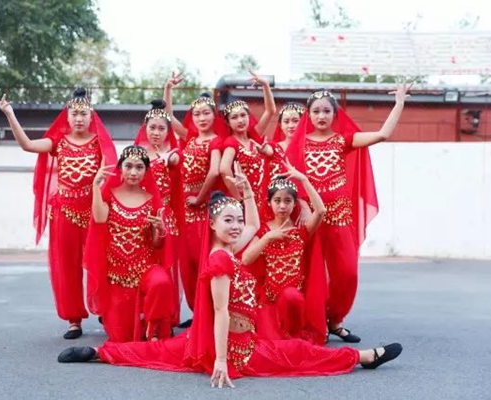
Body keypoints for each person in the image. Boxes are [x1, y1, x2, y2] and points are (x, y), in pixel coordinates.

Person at [58, 165, 403, 388]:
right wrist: (222, 362)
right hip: (237, 352)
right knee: (298, 353)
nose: (237, 226)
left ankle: (98, 353)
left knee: (156, 351)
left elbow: (253, 226)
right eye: (228, 220)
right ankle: (363, 357)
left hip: (239, 340)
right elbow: (221, 312)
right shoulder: (221, 259)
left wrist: (248, 192)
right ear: (211, 224)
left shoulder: (231, 248)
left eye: (237, 220)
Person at [286, 84, 411, 343]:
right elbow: (290, 180)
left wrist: (399, 103)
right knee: (312, 275)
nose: (321, 116)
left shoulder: (343, 140)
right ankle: (315, 324)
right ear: (308, 115)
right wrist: (304, 205)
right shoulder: (299, 144)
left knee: (347, 273)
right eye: (316, 111)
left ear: (335, 114)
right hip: (311, 219)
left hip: (340, 217)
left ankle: (335, 319)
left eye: (326, 111)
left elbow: (383, 134)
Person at [0, 88, 117, 339]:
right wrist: (10, 114)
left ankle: (105, 310)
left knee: (101, 262)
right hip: (64, 213)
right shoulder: (58, 142)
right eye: (74, 114)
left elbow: (110, 174)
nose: (79, 118)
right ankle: (74, 320)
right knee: (67, 267)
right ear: (67, 116)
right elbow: (28, 145)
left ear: (91, 116)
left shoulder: (100, 143)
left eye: (83, 114)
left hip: (93, 212)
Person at [83, 145, 176, 342]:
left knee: (161, 282)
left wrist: (161, 230)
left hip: (145, 268)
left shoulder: (152, 200)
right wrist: (95, 187)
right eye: (129, 166)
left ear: (146, 170)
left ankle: (153, 327)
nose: (134, 172)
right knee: (121, 338)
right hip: (117, 275)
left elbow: (156, 244)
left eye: (139, 167)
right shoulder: (109, 194)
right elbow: (99, 218)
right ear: (120, 168)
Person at [241, 160, 328, 344]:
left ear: (295, 203)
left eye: (288, 201)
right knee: (271, 344)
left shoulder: (301, 231)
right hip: (269, 303)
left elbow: (320, 211)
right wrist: (267, 238)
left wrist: (304, 180)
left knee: (291, 297)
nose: (282, 206)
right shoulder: (263, 231)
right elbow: (246, 259)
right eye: (277, 201)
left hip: (294, 303)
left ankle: (295, 331)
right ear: (269, 203)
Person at [163, 74, 225, 318]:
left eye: (206, 113)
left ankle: (208, 314)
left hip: (203, 207)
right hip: (184, 208)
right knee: (187, 263)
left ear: (214, 115)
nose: (201, 118)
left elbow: (214, 171)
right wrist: (168, 89)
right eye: (197, 114)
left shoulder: (217, 141)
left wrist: (199, 199)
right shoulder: (190, 137)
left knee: (202, 262)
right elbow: (169, 117)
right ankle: (198, 314)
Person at [133, 99, 184, 326]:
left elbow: (176, 160)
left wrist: (170, 158)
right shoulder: (137, 155)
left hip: (165, 218)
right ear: (145, 128)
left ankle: (166, 318)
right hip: (141, 217)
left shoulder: (172, 153)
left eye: (161, 128)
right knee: (141, 266)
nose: (156, 132)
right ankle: (141, 314)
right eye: (152, 127)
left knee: (166, 268)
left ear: (168, 131)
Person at [219, 69, 276, 209]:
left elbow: (270, 111)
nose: (240, 120)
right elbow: (224, 169)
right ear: (227, 122)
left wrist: (265, 85)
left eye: (243, 115)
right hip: (245, 200)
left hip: (261, 197)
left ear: (249, 117)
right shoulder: (231, 143)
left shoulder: (254, 136)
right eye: (234, 117)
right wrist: (239, 199)